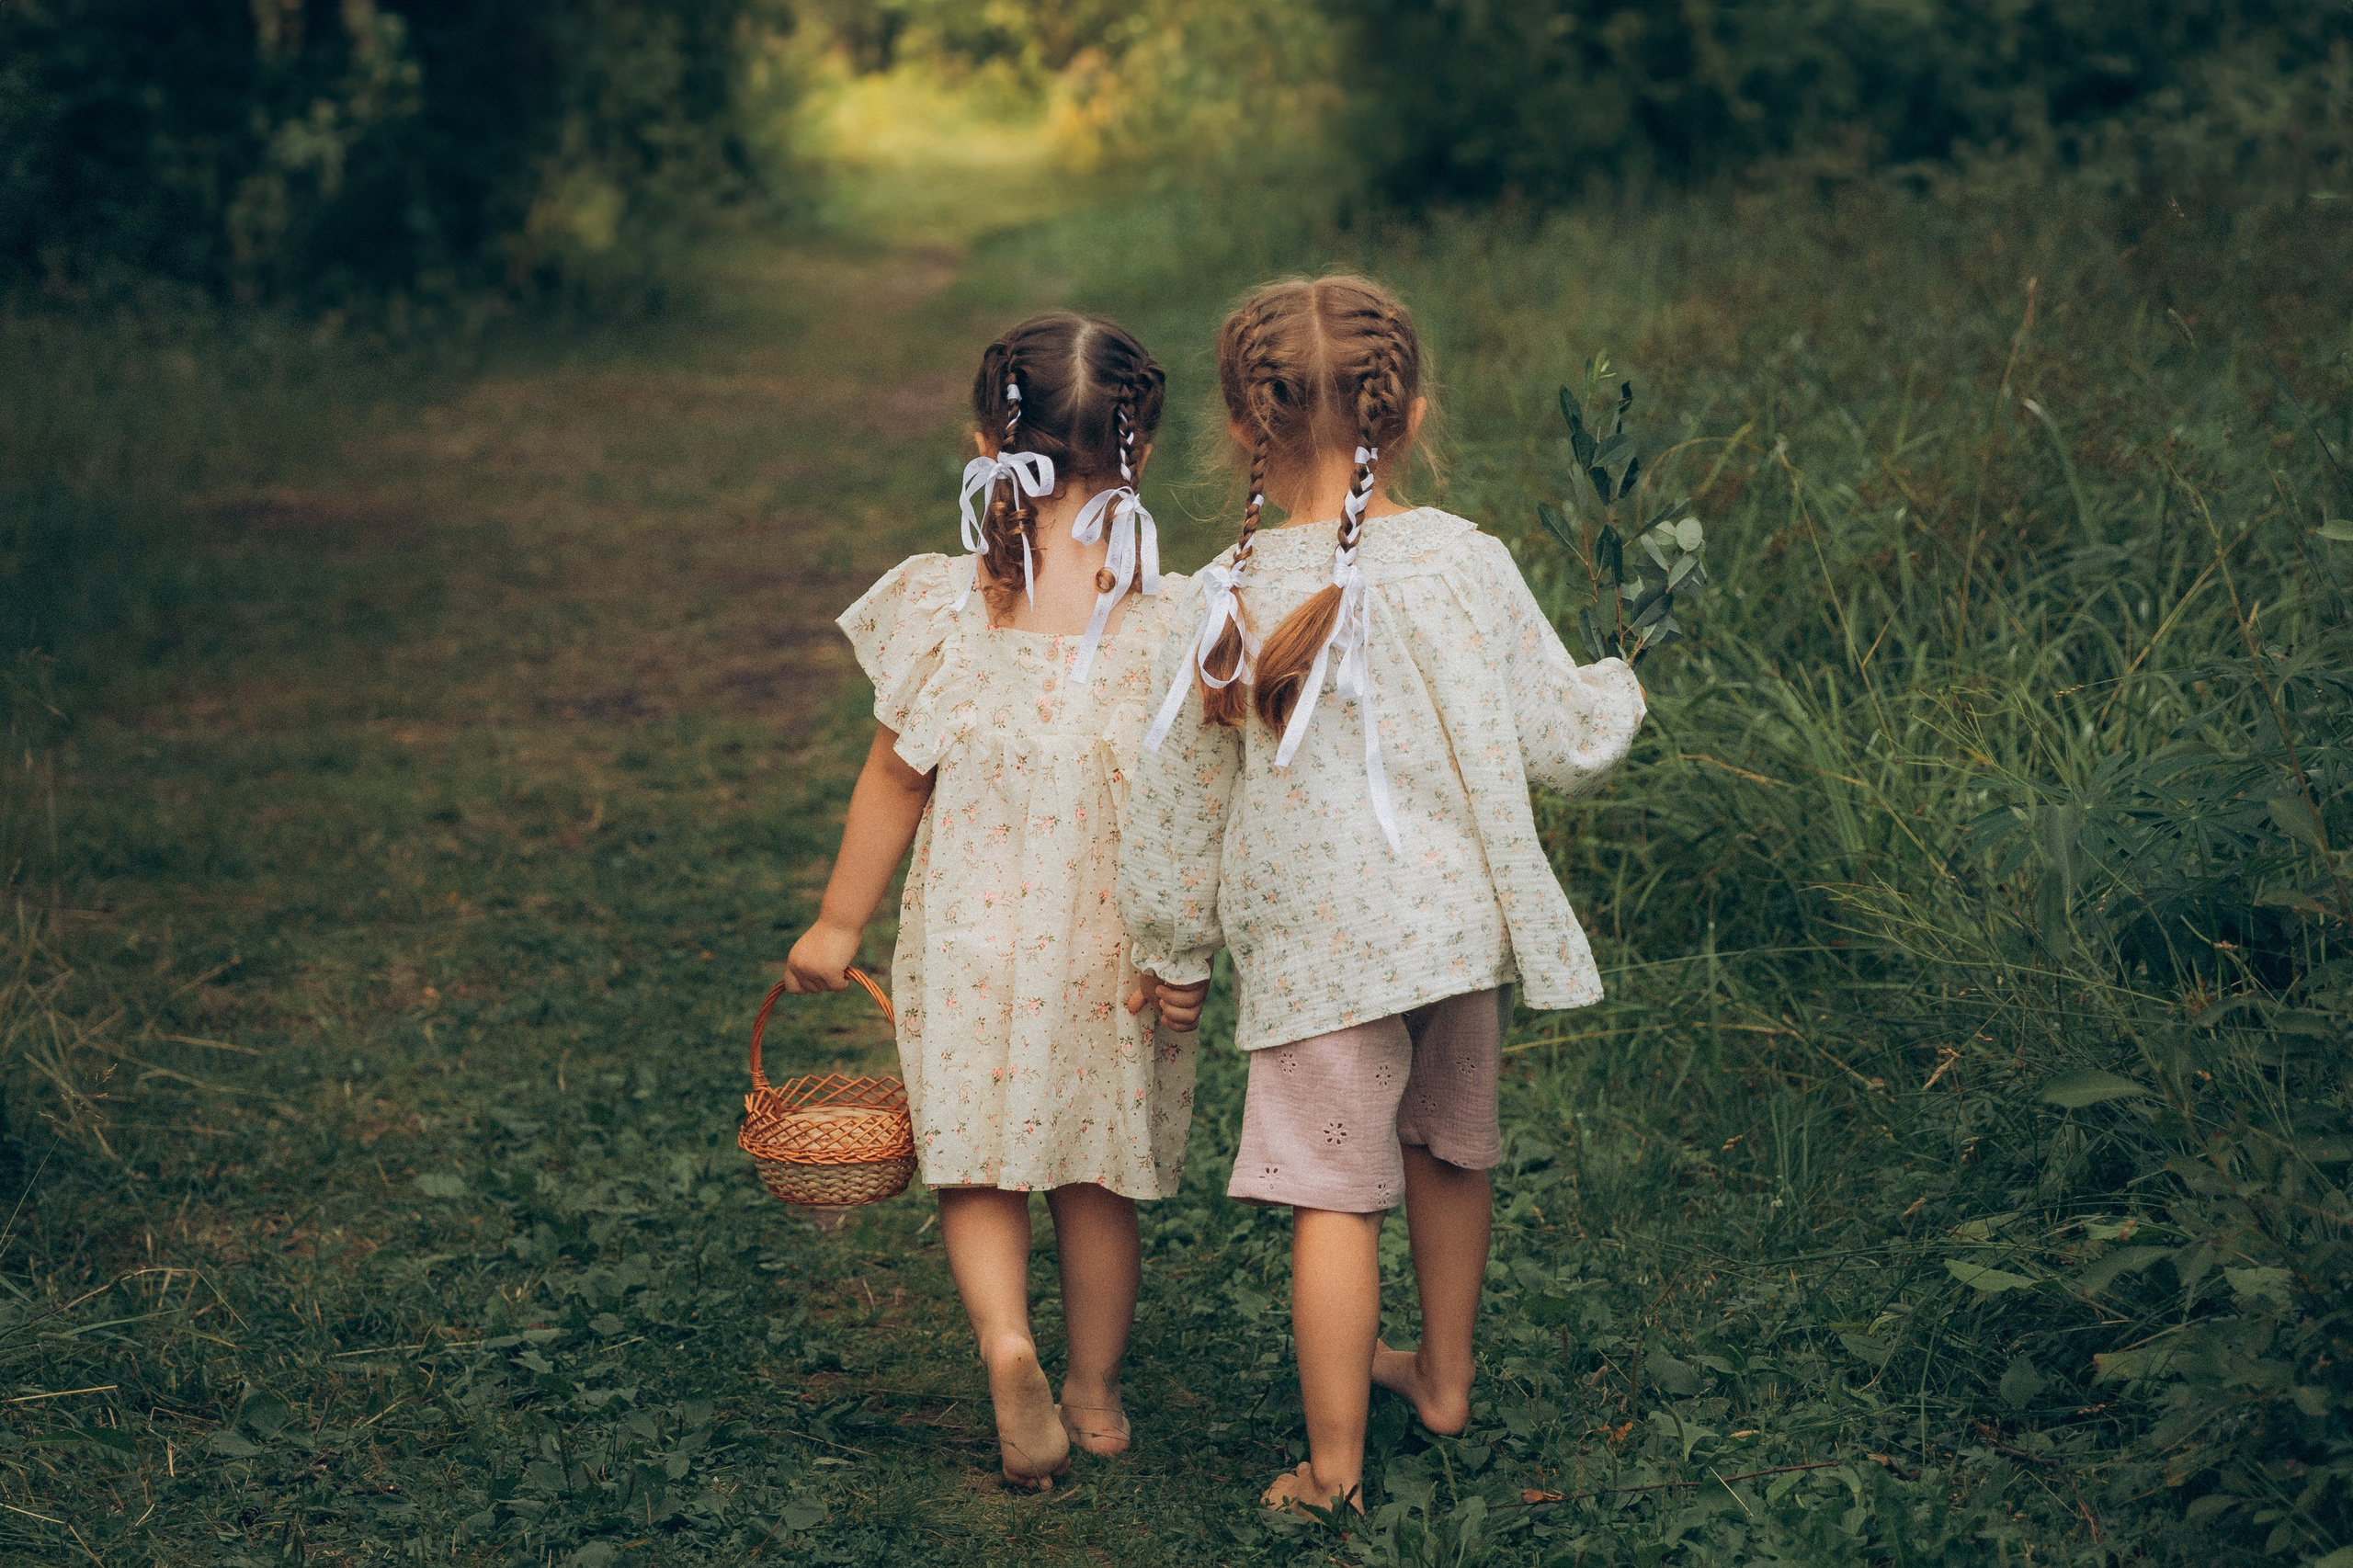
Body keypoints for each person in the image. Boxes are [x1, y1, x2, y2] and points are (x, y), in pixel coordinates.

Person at [1118, 276, 1645, 1514]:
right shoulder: (1463, 561)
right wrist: (1622, 683)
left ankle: (1334, 1467)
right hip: (1456, 932)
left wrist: (1171, 951)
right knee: (1451, 1150)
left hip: (1322, 951)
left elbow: (1177, 805)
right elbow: (1565, 736)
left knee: (1333, 1193)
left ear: (1244, 429)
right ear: (1407, 417)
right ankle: (1444, 1376)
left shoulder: (1220, 600)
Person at [785, 312, 1204, 1492]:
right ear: (1141, 454)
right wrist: (1186, 946)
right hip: (1112, 942)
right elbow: (1197, 805)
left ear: (988, 442)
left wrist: (837, 924)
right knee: (1098, 1163)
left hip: (973, 929)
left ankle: (1004, 1340)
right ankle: (1094, 1391)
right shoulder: (1170, 623)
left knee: (976, 1154)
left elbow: (894, 774)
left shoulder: (950, 602)